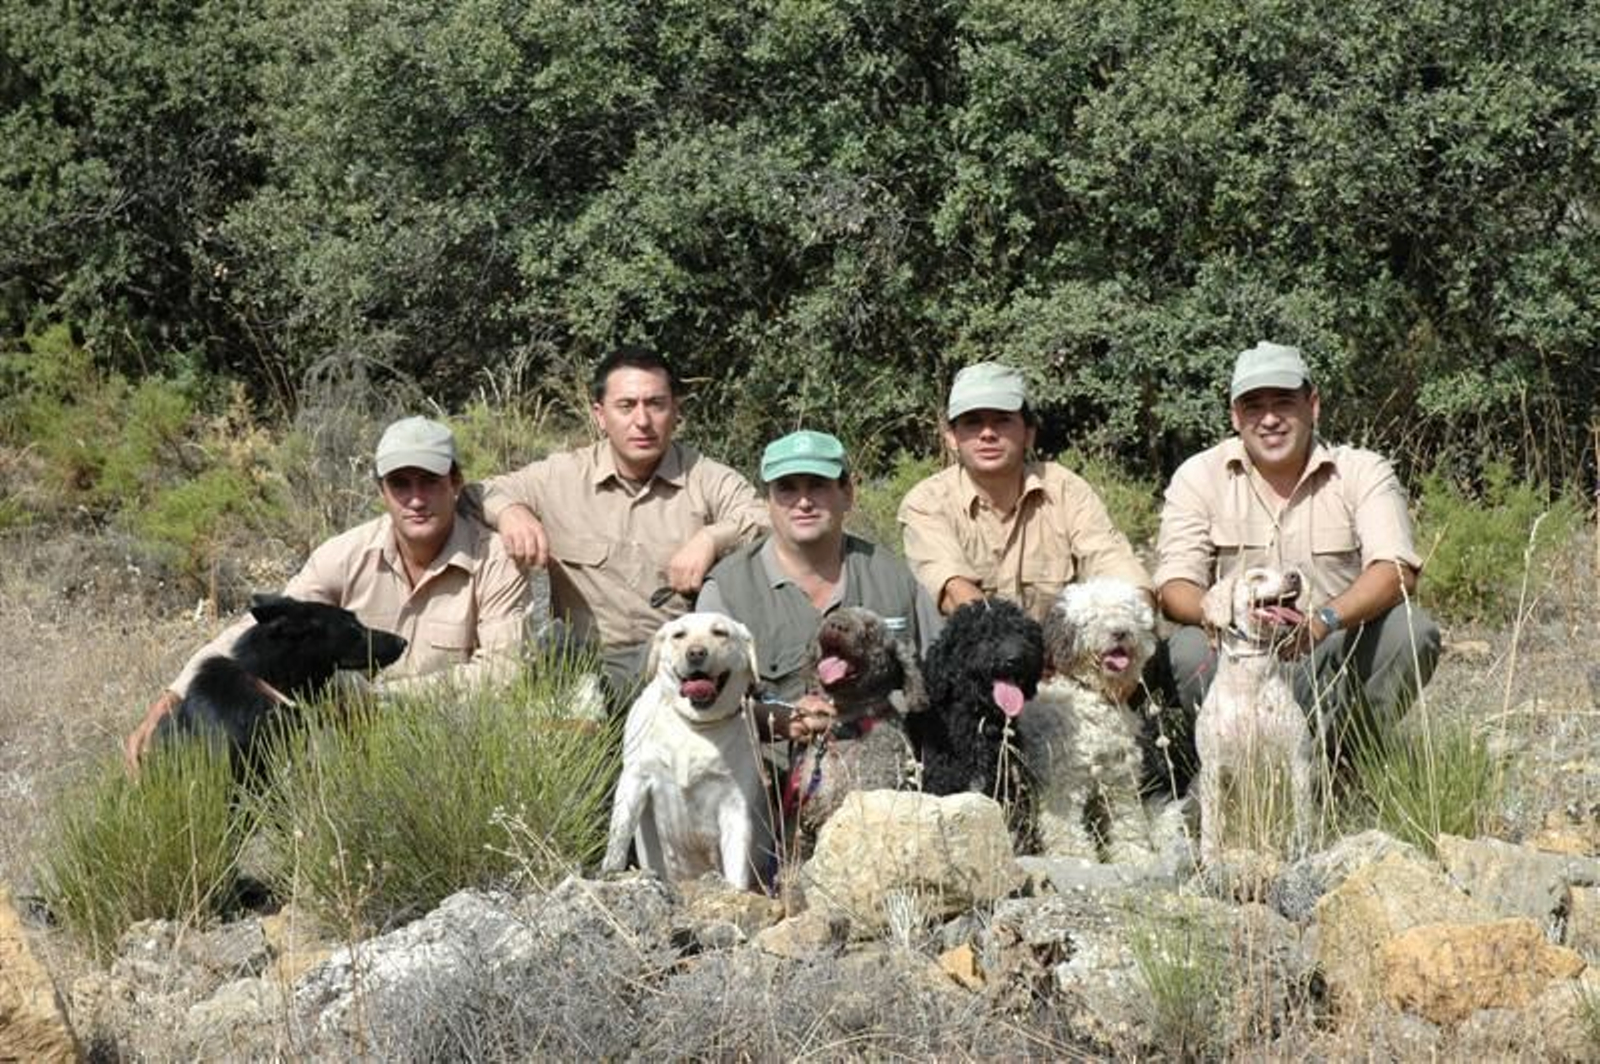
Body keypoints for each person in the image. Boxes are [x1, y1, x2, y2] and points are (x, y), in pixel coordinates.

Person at [124, 415, 531, 769]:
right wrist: (173, 695)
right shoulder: (343, 554)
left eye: (429, 481)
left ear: (455, 483)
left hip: (458, 743)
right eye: (400, 484)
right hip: (354, 751)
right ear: (381, 491)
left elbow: (504, 672)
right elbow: (266, 629)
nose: (416, 499)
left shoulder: (495, 560)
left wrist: (380, 701)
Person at [1154, 340, 1441, 741]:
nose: (1269, 419)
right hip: (1237, 656)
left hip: (1329, 647)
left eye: (1284, 402)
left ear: (1313, 405)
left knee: (1412, 630)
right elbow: (1173, 588)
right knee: (1186, 650)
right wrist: (1236, 618)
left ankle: (1344, 760)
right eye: (1254, 406)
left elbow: (1396, 572)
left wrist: (1323, 622)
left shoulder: (1363, 471)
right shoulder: (1198, 475)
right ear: (1236, 417)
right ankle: (1236, 773)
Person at [476, 346, 767, 701]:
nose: (642, 421)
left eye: (656, 404)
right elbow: (477, 493)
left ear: (676, 411)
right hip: (584, 669)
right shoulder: (560, 476)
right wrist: (511, 512)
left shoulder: (706, 478)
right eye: (626, 406)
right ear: (600, 415)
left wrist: (711, 538)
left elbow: (765, 518)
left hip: (678, 670)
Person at [698, 429, 941, 737]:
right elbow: (706, 706)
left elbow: (939, 677)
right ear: (767, 503)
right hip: (768, 774)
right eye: (786, 489)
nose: (803, 502)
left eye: (818, 486)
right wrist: (778, 720)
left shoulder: (895, 579)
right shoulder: (727, 591)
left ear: (848, 494)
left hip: (887, 769)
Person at [898, 361, 1153, 622]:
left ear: (1029, 434)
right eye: (973, 423)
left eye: (1002, 421)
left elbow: (1113, 563)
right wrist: (1020, 651)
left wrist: (1135, 613)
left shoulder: (1067, 491)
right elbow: (955, 591)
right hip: (972, 653)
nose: (987, 434)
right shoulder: (926, 503)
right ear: (951, 437)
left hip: (1060, 654)